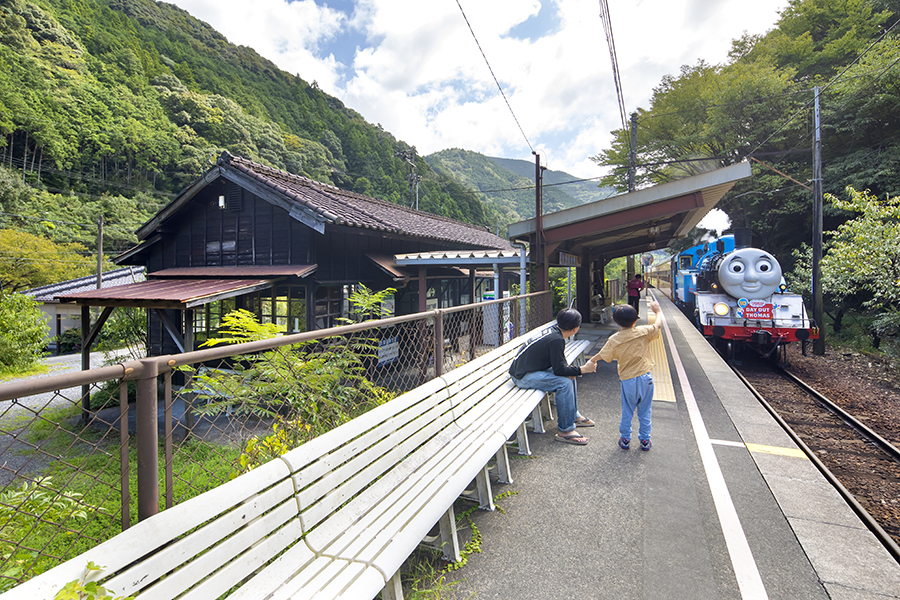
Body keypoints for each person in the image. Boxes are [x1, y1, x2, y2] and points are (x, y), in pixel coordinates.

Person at [509, 308, 598, 445]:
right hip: (523, 376)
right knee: (565, 382)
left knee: (569, 375)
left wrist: (574, 371)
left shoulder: (554, 332)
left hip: (527, 369)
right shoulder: (556, 340)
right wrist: (583, 369)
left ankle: (573, 415)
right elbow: (559, 370)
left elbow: (560, 367)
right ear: (575, 329)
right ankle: (565, 430)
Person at [591, 300, 663, 451]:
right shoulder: (644, 332)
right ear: (636, 319)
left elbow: (603, 354)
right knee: (645, 411)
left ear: (616, 322)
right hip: (646, 378)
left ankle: (625, 439)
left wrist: (592, 361)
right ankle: (645, 440)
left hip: (628, 380)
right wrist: (657, 311)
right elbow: (657, 325)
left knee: (627, 410)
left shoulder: (615, 339)